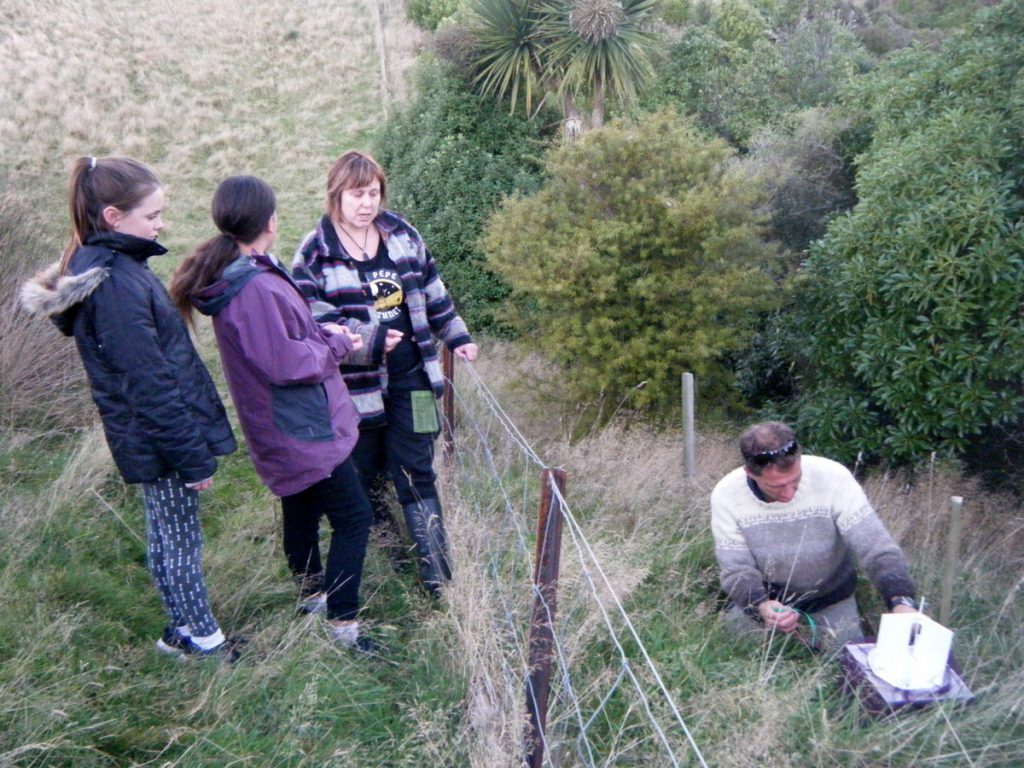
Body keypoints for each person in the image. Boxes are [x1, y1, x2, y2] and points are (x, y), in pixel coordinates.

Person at [19, 156, 238, 659]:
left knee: (165, 532)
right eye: (152, 214)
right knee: (181, 541)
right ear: (114, 217)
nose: (161, 224)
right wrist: (193, 457)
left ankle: (180, 633)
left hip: (148, 435)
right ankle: (205, 642)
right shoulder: (115, 284)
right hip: (159, 436)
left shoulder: (112, 268)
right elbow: (149, 383)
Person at [168, 175, 376, 651]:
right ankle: (344, 628)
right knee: (354, 518)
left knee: (301, 505)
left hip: (283, 424)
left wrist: (322, 337)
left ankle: (312, 596)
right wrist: (340, 342)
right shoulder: (254, 287)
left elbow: (285, 343)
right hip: (301, 426)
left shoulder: (247, 274)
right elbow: (287, 362)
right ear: (270, 221)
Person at [292, 150, 478, 597]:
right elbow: (310, 320)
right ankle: (389, 550)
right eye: (357, 195)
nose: (366, 204)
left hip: (413, 375)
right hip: (357, 390)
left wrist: (456, 335)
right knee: (366, 471)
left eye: (373, 193)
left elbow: (433, 290)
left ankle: (437, 577)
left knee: (416, 470)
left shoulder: (401, 234)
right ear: (336, 195)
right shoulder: (315, 253)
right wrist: (367, 340)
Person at [710, 421, 919, 649]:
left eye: (795, 481)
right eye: (777, 486)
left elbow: (876, 548)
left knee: (847, 664)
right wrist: (761, 606)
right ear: (749, 472)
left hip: (831, 597)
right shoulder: (726, 494)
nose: (789, 494)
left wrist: (901, 602)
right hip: (769, 600)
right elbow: (737, 570)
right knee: (732, 653)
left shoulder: (834, 477)